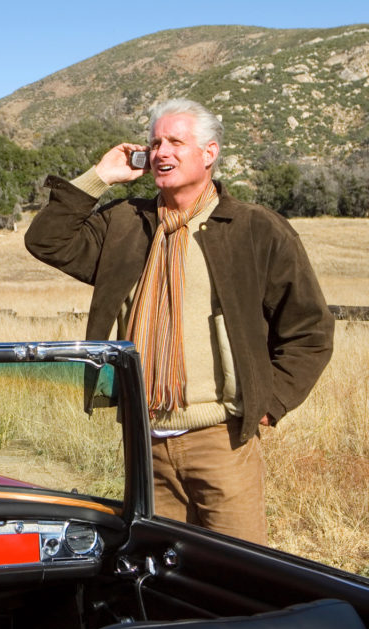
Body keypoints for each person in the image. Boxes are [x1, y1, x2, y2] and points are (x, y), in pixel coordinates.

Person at [25, 98, 334, 544]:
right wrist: (102, 177)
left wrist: (270, 403)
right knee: (158, 569)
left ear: (209, 153)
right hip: (145, 438)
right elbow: (46, 240)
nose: (161, 152)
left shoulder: (254, 228)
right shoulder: (127, 224)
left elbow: (310, 330)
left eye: (175, 142)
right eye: (154, 143)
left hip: (221, 440)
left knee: (237, 571)